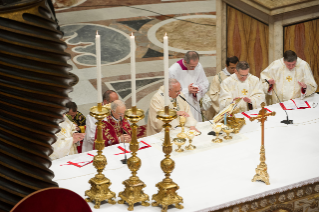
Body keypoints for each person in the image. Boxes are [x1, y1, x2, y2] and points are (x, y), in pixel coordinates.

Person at [169, 51, 209, 122]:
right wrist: (187, 90)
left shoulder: (198, 66)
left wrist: (197, 89)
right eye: (191, 66)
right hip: (181, 105)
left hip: (194, 102)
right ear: (185, 61)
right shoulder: (173, 70)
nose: (194, 69)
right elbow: (170, 91)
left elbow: (205, 83)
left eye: (195, 66)